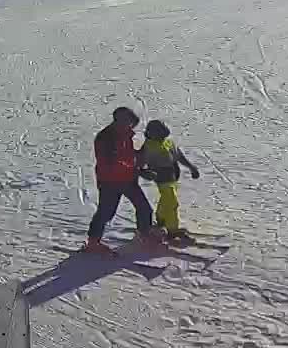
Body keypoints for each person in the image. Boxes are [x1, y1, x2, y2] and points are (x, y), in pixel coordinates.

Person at [85, 107, 155, 252]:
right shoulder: (106, 138)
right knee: (106, 212)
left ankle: (144, 233)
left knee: (144, 208)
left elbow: (129, 156)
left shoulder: (125, 134)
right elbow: (112, 162)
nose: (131, 127)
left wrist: (145, 150)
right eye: (129, 123)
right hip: (109, 181)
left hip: (127, 178)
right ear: (119, 120)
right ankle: (93, 242)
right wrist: (137, 170)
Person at [137, 119, 201, 242]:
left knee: (166, 199)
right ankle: (172, 230)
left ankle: (161, 219)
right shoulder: (149, 146)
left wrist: (191, 167)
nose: (161, 136)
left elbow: (178, 156)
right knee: (172, 203)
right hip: (162, 178)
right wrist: (143, 172)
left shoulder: (168, 142)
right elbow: (140, 162)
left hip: (172, 177)